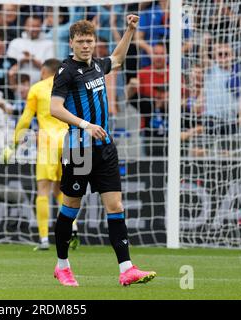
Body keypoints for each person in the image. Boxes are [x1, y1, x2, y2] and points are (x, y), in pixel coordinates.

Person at [49, 17, 156, 287]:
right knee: (72, 205)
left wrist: (131, 30)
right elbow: (55, 108)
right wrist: (87, 124)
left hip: (105, 148)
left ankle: (127, 269)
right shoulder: (66, 71)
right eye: (81, 41)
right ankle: (62, 266)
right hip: (78, 149)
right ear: (71, 42)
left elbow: (117, 58)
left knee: (115, 206)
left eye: (89, 40)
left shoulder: (97, 65)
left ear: (94, 42)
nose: (86, 45)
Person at [5, 59, 81, 251]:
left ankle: (44, 239)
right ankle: (73, 227)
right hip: (69, 142)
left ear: (43, 71)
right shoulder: (69, 86)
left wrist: (13, 144)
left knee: (43, 191)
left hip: (48, 143)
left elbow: (25, 119)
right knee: (62, 191)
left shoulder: (37, 88)